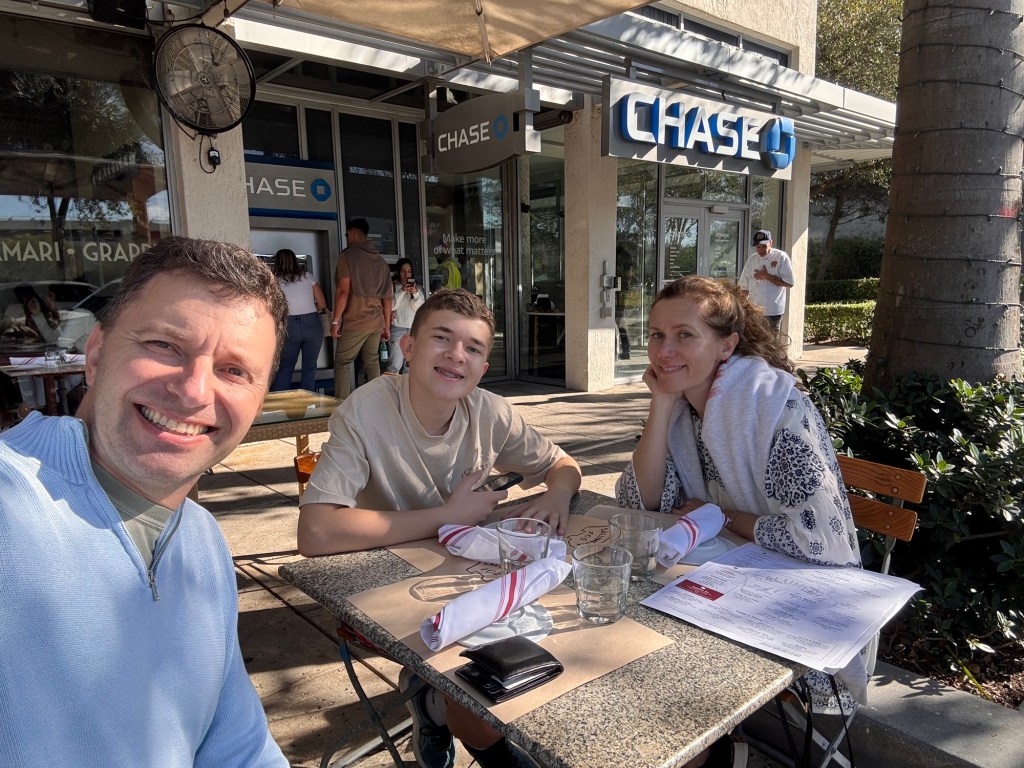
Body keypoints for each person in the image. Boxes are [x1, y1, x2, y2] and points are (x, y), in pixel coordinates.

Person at [0, 236, 289, 767]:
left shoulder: (201, 540)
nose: (194, 391)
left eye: (234, 370)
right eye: (164, 345)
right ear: (96, 354)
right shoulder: (9, 501)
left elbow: (240, 747)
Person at [299, 288, 582, 768]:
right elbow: (315, 532)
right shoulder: (365, 411)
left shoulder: (490, 411)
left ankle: (433, 702)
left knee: (561, 635)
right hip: (390, 589)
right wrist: (448, 515)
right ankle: (438, 703)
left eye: (473, 347)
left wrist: (557, 493)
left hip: (469, 578)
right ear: (408, 346)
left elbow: (562, 464)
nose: (456, 355)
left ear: (482, 368)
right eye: (442, 338)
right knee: (485, 691)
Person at [616, 276, 864, 766]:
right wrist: (660, 403)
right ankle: (712, 752)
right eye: (657, 335)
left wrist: (722, 516)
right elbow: (639, 502)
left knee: (647, 658)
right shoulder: (684, 406)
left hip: (804, 604)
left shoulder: (773, 408)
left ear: (727, 345)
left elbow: (818, 541)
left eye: (685, 335)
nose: (664, 351)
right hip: (723, 581)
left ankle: (702, 753)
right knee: (630, 632)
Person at [330, 217, 392, 399]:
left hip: (356, 320)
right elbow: (387, 298)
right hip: (376, 322)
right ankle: (375, 402)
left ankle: (341, 404)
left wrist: (335, 320)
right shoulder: (381, 261)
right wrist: (386, 325)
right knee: (372, 363)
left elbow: (343, 290)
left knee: (342, 362)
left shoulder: (347, 257)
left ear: (353, 234)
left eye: (347, 235)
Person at [272, 248, 328, 392]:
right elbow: (322, 304)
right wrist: (310, 309)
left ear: (277, 262)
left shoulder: (274, 281)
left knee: (286, 367)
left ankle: (279, 400)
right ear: (295, 261)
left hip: (288, 325)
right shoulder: (308, 277)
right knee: (309, 367)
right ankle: (307, 401)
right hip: (312, 324)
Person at [736, 229, 794, 332]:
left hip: (773, 311)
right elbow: (744, 286)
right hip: (754, 309)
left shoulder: (781, 257)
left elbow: (790, 283)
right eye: (758, 247)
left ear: (770, 243)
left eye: (764, 246)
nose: (761, 250)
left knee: (771, 339)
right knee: (755, 338)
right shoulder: (752, 259)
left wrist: (767, 276)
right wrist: (742, 307)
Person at [388, 257, 424, 373]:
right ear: (398, 272)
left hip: (413, 330)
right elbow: (391, 306)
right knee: (395, 365)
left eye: (409, 271)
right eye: (403, 271)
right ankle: (391, 385)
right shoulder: (393, 286)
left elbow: (420, 309)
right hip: (397, 329)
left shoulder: (417, 287)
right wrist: (402, 291)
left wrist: (416, 294)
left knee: (410, 365)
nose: (406, 275)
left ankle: (407, 385)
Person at [615, 244, 635, 360]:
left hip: (619, 292)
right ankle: (626, 350)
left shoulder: (622, 255)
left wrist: (623, 289)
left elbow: (628, 274)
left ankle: (626, 350)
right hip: (620, 291)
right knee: (620, 321)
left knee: (619, 320)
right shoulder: (624, 255)